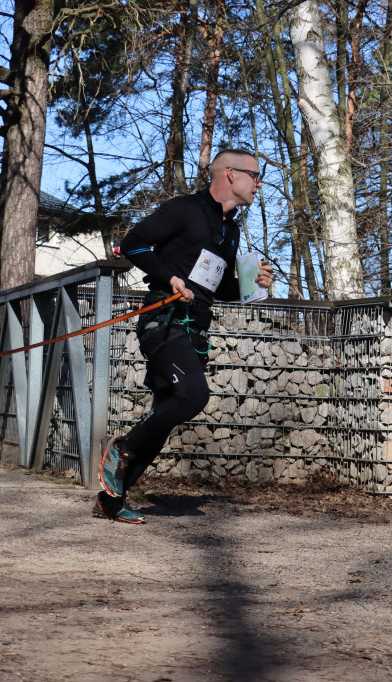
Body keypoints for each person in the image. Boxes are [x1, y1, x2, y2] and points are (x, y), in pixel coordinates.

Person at [93, 149, 275, 524]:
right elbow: (133, 243)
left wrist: (251, 284)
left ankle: (110, 501)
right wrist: (169, 278)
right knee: (193, 396)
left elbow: (217, 287)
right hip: (164, 319)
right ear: (228, 174)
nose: (259, 184)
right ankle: (121, 447)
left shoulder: (231, 229)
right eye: (255, 176)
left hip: (196, 328)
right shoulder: (185, 209)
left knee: (166, 412)